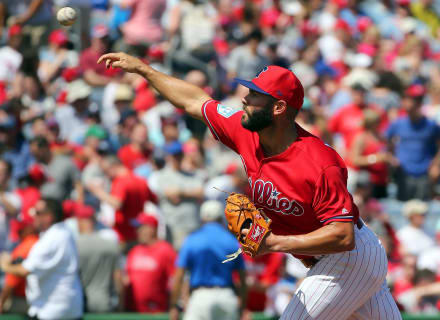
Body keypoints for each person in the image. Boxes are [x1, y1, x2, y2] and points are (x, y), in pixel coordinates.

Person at [98, 53, 401, 319]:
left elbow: (343, 235)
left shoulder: (320, 162)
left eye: (256, 95)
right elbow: (195, 101)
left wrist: (275, 244)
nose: (245, 98)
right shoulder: (246, 132)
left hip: (347, 257)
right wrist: (145, 70)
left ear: (279, 108)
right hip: (338, 260)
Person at [0, 197, 84, 320]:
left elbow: (24, 271)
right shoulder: (65, 231)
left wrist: (5, 265)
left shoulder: (51, 239)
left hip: (52, 310)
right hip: (68, 308)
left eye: (37, 212)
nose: (34, 216)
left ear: (49, 216)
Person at [169, 200, 247, 320]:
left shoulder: (193, 239)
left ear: (202, 217)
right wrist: (243, 307)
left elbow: (179, 275)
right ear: (221, 217)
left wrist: (174, 305)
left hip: (200, 297)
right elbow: (242, 277)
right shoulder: (231, 241)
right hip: (226, 297)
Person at [75, 203, 123, 312]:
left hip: (80, 303)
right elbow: (118, 278)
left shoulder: (74, 245)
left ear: (79, 221)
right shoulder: (111, 244)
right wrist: (121, 305)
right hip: (104, 302)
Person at [125, 212, 176, 313]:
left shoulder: (165, 250)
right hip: (133, 312)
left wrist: (173, 306)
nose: (137, 231)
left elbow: (177, 279)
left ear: (152, 228)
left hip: (157, 311)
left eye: (141, 227)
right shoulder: (134, 251)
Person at [0, 219, 37, 314]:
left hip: (28, 301)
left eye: (19, 231)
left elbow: (11, 283)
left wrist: (1, 302)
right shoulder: (42, 242)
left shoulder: (23, 249)